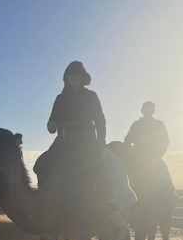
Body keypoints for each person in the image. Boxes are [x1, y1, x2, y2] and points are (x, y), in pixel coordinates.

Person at [34, 61, 125, 228]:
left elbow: (100, 121)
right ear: (66, 78)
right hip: (63, 142)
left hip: (86, 141)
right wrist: (51, 125)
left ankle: (111, 208)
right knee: (41, 164)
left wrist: (101, 144)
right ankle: (44, 205)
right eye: (70, 75)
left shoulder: (91, 96)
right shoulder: (60, 98)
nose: (73, 78)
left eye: (76, 75)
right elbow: (51, 123)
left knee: (99, 169)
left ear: (82, 77)